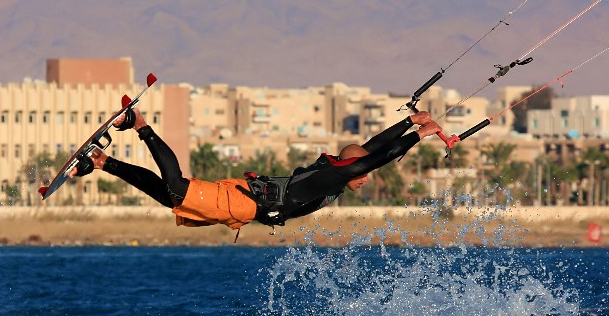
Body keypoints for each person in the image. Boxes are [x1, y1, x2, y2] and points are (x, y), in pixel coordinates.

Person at [70, 106, 442, 231]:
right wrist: (418, 135)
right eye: (360, 172)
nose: (365, 177)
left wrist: (408, 122)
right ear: (350, 166)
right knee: (176, 185)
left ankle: (101, 162)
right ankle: (139, 124)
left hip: (243, 205)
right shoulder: (336, 173)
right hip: (243, 203)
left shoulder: (331, 170)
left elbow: (373, 149)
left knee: (169, 196)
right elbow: (373, 157)